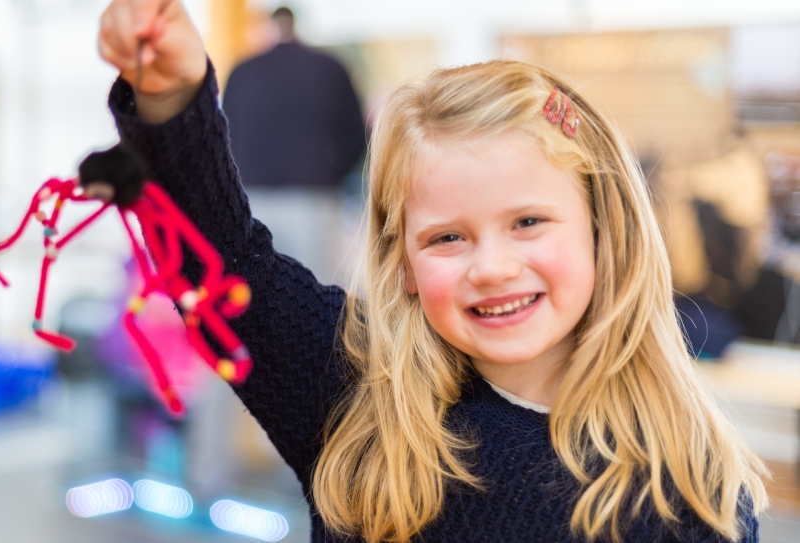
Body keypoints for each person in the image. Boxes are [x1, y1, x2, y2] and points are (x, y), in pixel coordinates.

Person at [95, 1, 768, 541]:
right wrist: (172, 97)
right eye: (448, 236)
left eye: (528, 221)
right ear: (405, 260)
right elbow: (221, 260)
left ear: (602, 228)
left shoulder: (685, 490)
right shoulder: (354, 391)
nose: (493, 267)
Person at [221, 6, 366, 283]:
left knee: (255, 294)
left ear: (270, 26)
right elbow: (358, 136)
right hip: (312, 199)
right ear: (297, 26)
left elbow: (224, 135)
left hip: (252, 200)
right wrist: (331, 175)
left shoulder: (242, 71)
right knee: (316, 294)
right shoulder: (330, 67)